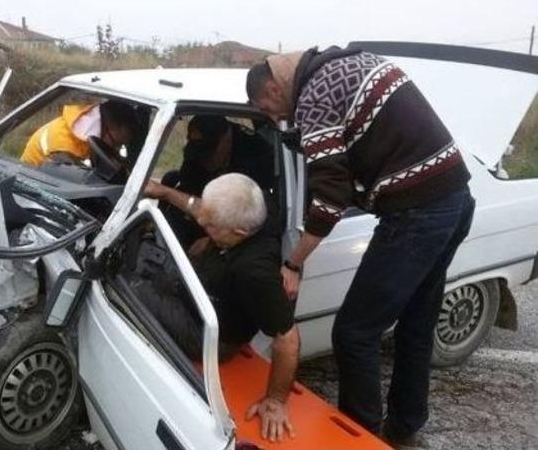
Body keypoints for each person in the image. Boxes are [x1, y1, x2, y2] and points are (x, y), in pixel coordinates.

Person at [246, 47, 474, 447]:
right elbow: (353, 150)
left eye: (266, 108)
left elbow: (330, 198)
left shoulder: (314, 94)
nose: (273, 118)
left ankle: (359, 437)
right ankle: (404, 426)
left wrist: (294, 262)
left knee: (354, 333)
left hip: (417, 213)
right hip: (454, 197)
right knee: (417, 323)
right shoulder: (342, 66)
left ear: (272, 86)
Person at [143, 173, 299, 443]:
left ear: (239, 233)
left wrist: (275, 401)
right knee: (147, 261)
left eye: (211, 226)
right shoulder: (258, 209)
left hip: (206, 334)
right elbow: (201, 209)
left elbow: (288, 339)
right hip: (195, 290)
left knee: (130, 286)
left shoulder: (254, 272)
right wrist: (164, 192)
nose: (202, 224)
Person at [145, 115, 276, 248]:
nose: (204, 158)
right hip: (206, 216)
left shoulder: (256, 155)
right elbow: (188, 189)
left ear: (226, 139)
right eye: (200, 152)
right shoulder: (196, 157)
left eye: (209, 151)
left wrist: (211, 241)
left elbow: (249, 216)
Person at [20, 100, 138, 166]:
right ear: (108, 128)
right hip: (31, 184)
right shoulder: (64, 146)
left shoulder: (86, 128)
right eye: (116, 143)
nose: (116, 148)